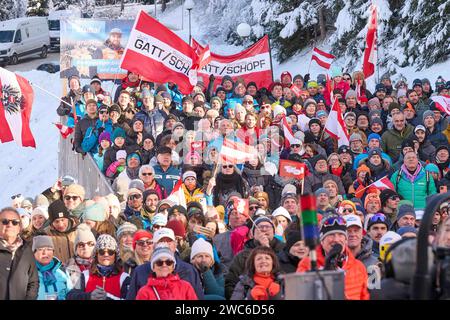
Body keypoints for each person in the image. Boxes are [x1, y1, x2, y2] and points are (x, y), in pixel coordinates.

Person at [297, 215, 370, 300]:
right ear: (322, 241)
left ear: (345, 240)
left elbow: (365, 297)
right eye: (331, 235)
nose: (336, 239)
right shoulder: (308, 263)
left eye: (340, 235)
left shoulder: (358, 267)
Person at [126, 227, 204, 300]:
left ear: (175, 244)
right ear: (154, 245)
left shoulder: (189, 270)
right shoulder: (140, 272)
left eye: (169, 241)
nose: (165, 244)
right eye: (161, 241)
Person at [225, 216, 285, 299]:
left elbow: (285, 273)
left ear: (274, 232)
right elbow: (231, 283)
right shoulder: (242, 255)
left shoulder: (283, 250)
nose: (264, 229)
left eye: (268, 227)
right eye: (260, 227)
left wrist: (267, 248)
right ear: (252, 234)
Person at [66, 234, 130, 300]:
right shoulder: (85, 275)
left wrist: (107, 297)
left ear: (115, 255)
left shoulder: (124, 277)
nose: (106, 255)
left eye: (110, 252)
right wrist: (89, 296)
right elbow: (70, 296)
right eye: (102, 252)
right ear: (96, 255)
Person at [0, 207, 39, 300]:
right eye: (5, 221)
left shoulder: (27, 250)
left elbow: (33, 281)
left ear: (19, 227)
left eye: (15, 222)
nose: (10, 225)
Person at [33, 235, 73, 300]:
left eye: (49, 249)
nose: (45, 253)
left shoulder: (62, 271)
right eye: (40, 249)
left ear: (53, 252)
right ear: (34, 253)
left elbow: (71, 294)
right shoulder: (28, 273)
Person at [45, 200, 78, 265]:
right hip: (58, 272)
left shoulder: (78, 230)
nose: (61, 224)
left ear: (68, 218)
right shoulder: (46, 235)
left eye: (63, 220)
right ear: (51, 222)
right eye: (56, 221)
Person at [65, 224, 96, 289]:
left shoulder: (102, 266)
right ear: (76, 249)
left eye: (90, 243)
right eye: (81, 244)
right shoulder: (69, 267)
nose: (86, 247)